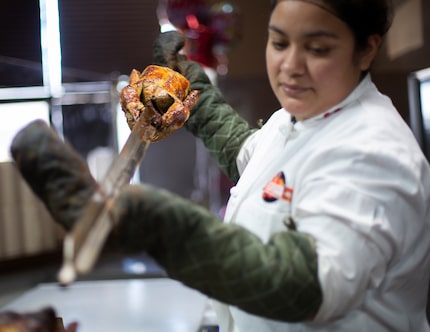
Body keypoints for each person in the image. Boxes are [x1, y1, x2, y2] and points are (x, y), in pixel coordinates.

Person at [9, 0, 430, 331]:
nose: (290, 66)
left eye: (317, 49)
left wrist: (157, 223)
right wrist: (195, 89)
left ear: (368, 48)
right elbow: (249, 156)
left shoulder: (372, 153)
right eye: (279, 43)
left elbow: (307, 286)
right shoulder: (302, 115)